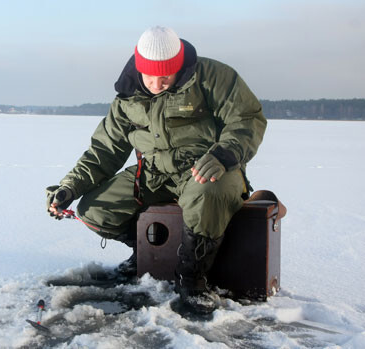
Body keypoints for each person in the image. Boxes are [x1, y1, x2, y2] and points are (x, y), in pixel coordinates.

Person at [46, 26, 267, 314]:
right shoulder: (127, 97)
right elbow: (104, 150)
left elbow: (247, 119)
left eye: (166, 76)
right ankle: (145, 257)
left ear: (179, 66)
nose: (157, 83)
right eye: (151, 76)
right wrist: (70, 187)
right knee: (95, 210)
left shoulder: (213, 76)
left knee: (208, 190)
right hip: (152, 173)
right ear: (139, 67)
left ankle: (191, 279)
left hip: (206, 166)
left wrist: (225, 155)